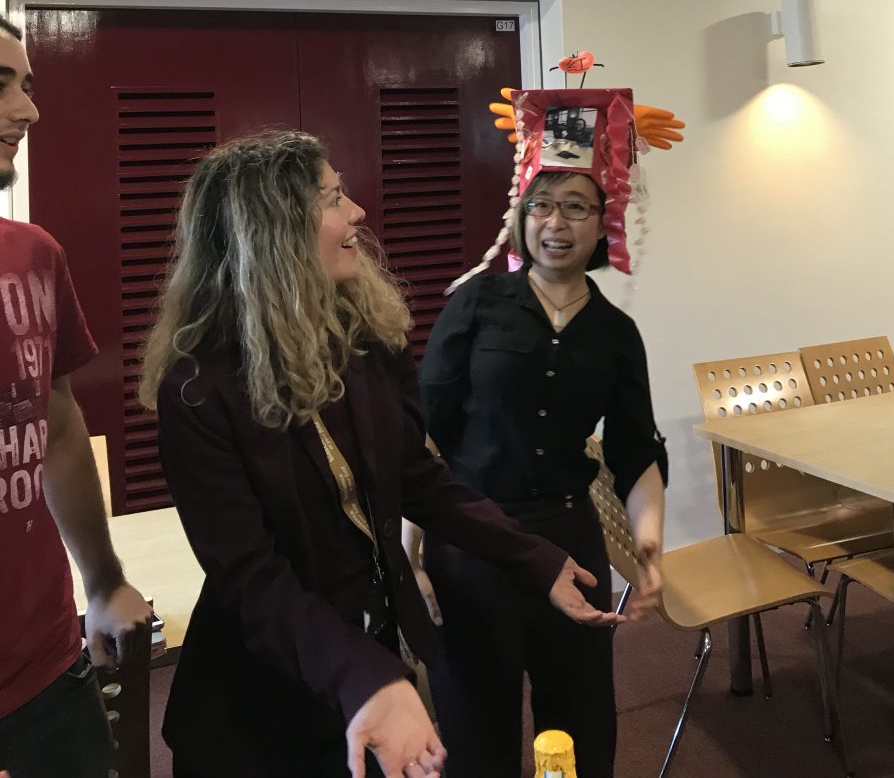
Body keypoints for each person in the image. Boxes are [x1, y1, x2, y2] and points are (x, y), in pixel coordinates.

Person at [139, 130, 621, 778]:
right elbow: (250, 576)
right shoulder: (198, 388)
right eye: (333, 198)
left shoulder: (364, 338)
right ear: (273, 230)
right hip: (261, 702)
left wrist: (530, 555)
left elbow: (419, 478)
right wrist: (363, 675)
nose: (357, 212)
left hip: (370, 668)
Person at [410, 167, 670, 778]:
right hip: (470, 534)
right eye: (542, 205)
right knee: (475, 723)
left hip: (569, 538)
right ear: (522, 217)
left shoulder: (616, 333)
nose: (556, 222)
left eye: (576, 207)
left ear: (602, 224)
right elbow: (425, 433)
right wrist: (410, 553)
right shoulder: (477, 302)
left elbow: (636, 451)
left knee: (581, 718)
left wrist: (650, 546)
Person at [0, 16, 152, 778]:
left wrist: (102, 578)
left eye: (26, 85)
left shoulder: (34, 256)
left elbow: (56, 426)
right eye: (1, 85)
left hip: (48, 670)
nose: (28, 109)